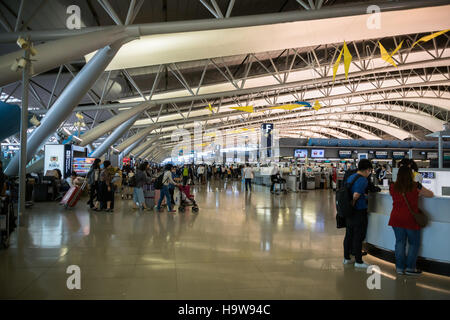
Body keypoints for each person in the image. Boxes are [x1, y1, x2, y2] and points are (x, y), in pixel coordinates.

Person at [389, 165, 433, 275]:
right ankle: (410, 268)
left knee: (399, 243)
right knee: (413, 244)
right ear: (410, 175)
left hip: (396, 218)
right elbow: (430, 194)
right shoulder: (415, 186)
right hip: (410, 219)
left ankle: (399, 268)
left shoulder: (393, 186)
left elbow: (392, 195)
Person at [343, 159, 373, 269]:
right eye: (370, 170)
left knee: (349, 235)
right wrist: (358, 201)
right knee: (358, 236)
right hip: (358, 211)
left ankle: (346, 258)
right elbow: (355, 195)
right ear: (367, 170)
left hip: (349, 212)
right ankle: (358, 261)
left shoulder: (351, 177)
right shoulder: (363, 180)